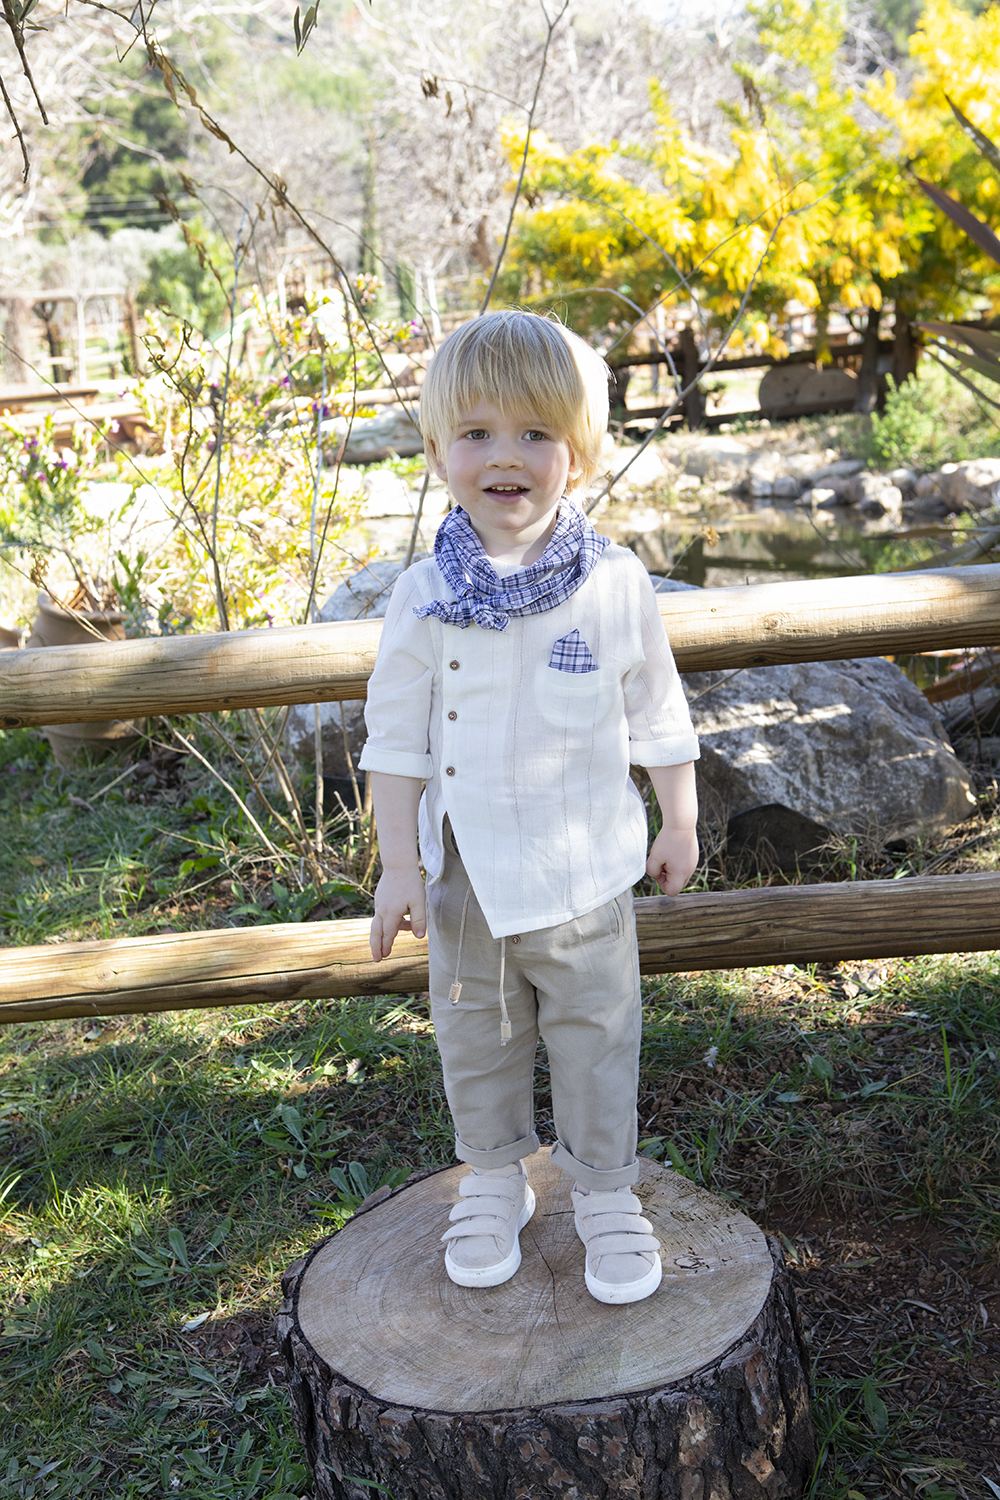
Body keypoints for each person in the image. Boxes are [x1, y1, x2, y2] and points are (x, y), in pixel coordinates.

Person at [358, 310, 699, 1305]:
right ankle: (494, 1176)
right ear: (437, 454)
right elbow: (396, 742)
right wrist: (398, 864)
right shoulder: (423, 596)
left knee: (598, 1037)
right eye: (477, 433)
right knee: (477, 1037)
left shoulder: (614, 584)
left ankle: (604, 1189)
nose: (504, 456)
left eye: (534, 433)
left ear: (578, 457)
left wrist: (678, 819)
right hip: (466, 878)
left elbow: (658, 713)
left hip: (587, 872)